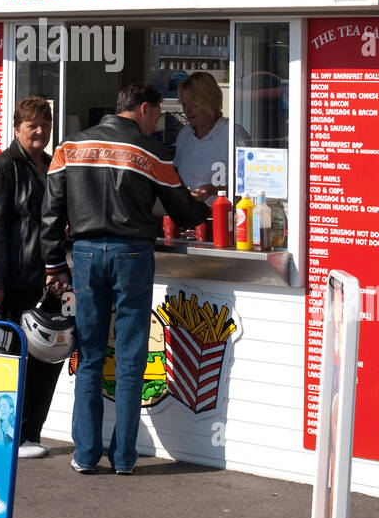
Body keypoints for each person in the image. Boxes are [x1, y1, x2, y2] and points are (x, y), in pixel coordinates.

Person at [41, 83, 208, 475]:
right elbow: (182, 211)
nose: (157, 123)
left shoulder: (69, 147)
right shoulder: (150, 151)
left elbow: (49, 211)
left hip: (82, 255)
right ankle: (123, 458)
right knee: (131, 358)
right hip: (131, 254)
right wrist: (208, 208)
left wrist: (53, 264)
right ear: (144, 109)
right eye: (156, 115)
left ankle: (84, 455)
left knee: (90, 356)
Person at [0, 95, 59, 458]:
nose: (40, 132)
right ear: (16, 128)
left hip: (47, 278)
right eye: (32, 126)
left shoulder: (53, 164)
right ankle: (10, 437)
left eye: (45, 125)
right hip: (15, 281)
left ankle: (30, 434)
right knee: (13, 360)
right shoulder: (1, 167)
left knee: (45, 362)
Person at [173, 71, 246, 204]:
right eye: (184, 105)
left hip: (224, 217)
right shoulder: (184, 135)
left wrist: (214, 190)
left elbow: (249, 184)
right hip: (189, 216)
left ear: (210, 103)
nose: (187, 111)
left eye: (194, 105)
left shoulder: (233, 134)